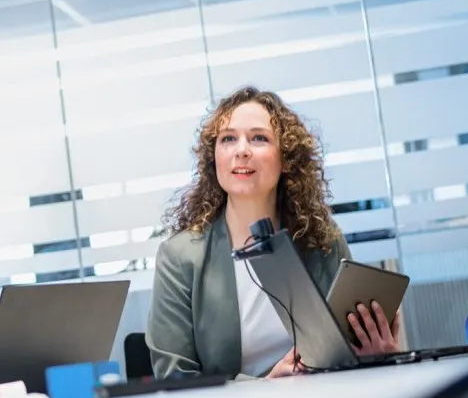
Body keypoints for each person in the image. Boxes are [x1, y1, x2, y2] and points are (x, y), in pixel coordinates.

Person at [146, 86, 401, 381]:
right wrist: (264, 387)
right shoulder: (179, 257)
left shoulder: (322, 240)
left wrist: (376, 358)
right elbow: (175, 379)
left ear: (286, 160)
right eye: (228, 139)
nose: (241, 150)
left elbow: (343, 356)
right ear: (213, 159)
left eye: (259, 138)